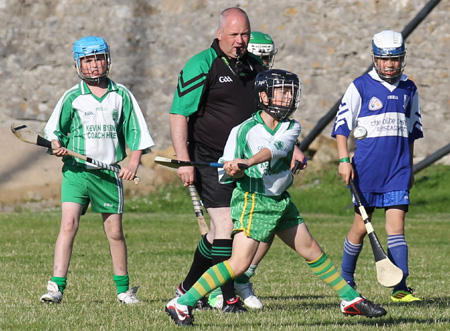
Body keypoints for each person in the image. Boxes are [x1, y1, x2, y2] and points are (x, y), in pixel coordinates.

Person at [165, 69, 387, 326]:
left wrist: (247, 161)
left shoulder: (292, 127)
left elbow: (277, 148)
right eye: (282, 91)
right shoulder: (242, 131)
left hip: (280, 200)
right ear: (264, 96)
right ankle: (182, 303)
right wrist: (233, 168)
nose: (288, 97)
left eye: (291, 91)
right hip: (254, 202)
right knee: (238, 264)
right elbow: (228, 174)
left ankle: (349, 300)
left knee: (311, 250)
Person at [169, 7, 306, 312]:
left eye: (244, 34)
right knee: (226, 225)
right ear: (220, 34)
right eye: (233, 35)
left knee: (222, 232)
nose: (240, 40)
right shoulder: (201, 65)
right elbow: (179, 113)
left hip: (248, 163)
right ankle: (228, 297)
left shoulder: (256, 67)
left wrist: (291, 146)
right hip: (210, 159)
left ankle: (187, 289)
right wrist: (184, 160)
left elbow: (270, 114)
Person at [40, 36, 154, 304]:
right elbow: (53, 131)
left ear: (107, 59)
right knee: (68, 224)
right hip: (77, 172)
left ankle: (124, 290)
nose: (93, 65)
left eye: (98, 58)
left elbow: (137, 133)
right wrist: (57, 145)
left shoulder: (121, 95)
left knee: (114, 232)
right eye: (87, 60)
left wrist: (133, 163)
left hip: (108, 174)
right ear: (78, 63)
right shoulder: (73, 97)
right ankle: (56, 288)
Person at [331, 30, 423, 303]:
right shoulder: (360, 86)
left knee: (396, 226)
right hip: (366, 171)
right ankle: (346, 280)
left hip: (397, 170)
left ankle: (401, 287)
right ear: (374, 58)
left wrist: (410, 168)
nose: (389, 64)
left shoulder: (410, 88)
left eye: (394, 59)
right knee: (361, 227)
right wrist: (344, 160)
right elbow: (341, 127)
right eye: (383, 59)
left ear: (402, 59)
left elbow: (412, 132)